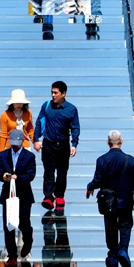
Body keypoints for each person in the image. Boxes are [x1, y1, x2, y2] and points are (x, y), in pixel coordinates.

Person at [85, 130, 134, 267]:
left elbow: (98, 180)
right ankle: (123, 249)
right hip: (126, 201)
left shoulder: (102, 160)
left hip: (108, 203)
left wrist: (90, 187)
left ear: (107, 142)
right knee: (125, 226)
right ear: (121, 141)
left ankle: (112, 256)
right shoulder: (130, 160)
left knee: (110, 228)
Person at [33, 81, 80, 210]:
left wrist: (74, 144)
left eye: (56, 93)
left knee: (62, 171)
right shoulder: (47, 106)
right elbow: (39, 122)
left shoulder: (71, 109)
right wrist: (36, 139)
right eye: (52, 92)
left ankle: (59, 195)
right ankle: (48, 197)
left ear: (63, 93)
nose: (53, 95)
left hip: (63, 144)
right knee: (48, 171)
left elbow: (75, 127)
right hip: (49, 144)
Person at [0, 129, 37, 265]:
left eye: (17, 144)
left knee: (24, 223)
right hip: (7, 195)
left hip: (24, 195)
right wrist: (4, 177)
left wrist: (17, 177)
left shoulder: (29, 157)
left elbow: (30, 175)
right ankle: (12, 255)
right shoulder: (3, 155)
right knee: (8, 225)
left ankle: (28, 240)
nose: (14, 146)